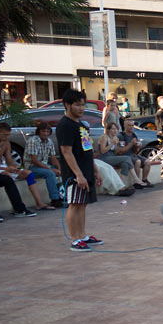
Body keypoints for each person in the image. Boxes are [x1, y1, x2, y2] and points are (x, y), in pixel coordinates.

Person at [57, 88, 103, 252]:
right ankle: (75, 239)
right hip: (75, 174)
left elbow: (87, 149)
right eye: (78, 105)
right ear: (67, 105)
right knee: (75, 204)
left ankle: (83, 235)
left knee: (82, 204)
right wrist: (78, 174)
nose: (82, 108)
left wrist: (95, 169)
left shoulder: (82, 125)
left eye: (83, 105)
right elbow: (66, 152)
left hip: (86, 170)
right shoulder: (65, 125)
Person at [0, 122, 52, 211]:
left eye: (8, 135)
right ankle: (18, 207)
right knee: (6, 176)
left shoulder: (6, 143)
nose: (7, 137)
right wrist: (5, 169)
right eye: (4, 135)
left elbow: (9, 160)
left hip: (3, 166)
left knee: (28, 174)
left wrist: (15, 168)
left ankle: (39, 203)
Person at [25, 121, 64, 208]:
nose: (45, 134)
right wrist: (50, 169)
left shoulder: (49, 141)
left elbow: (53, 158)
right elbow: (34, 160)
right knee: (50, 173)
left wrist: (59, 168)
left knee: (62, 171)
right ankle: (54, 199)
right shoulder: (33, 140)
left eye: (47, 131)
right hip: (32, 167)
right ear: (39, 131)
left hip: (44, 166)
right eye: (43, 131)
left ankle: (62, 196)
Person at [97, 122, 144, 190]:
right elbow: (102, 151)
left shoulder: (115, 138)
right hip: (104, 158)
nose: (115, 131)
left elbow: (115, 152)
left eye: (116, 129)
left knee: (125, 164)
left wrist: (117, 145)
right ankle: (135, 179)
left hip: (112, 157)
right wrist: (111, 144)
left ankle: (122, 185)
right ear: (108, 130)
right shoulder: (104, 137)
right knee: (127, 158)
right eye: (113, 129)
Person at [118, 119, 156, 187]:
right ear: (124, 126)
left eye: (132, 125)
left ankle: (144, 179)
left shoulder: (133, 135)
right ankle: (137, 182)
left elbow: (135, 151)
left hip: (133, 155)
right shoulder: (121, 135)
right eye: (129, 125)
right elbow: (121, 151)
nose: (131, 127)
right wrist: (131, 143)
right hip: (125, 156)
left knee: (147, 161)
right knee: (137, 161)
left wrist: (137, 147)